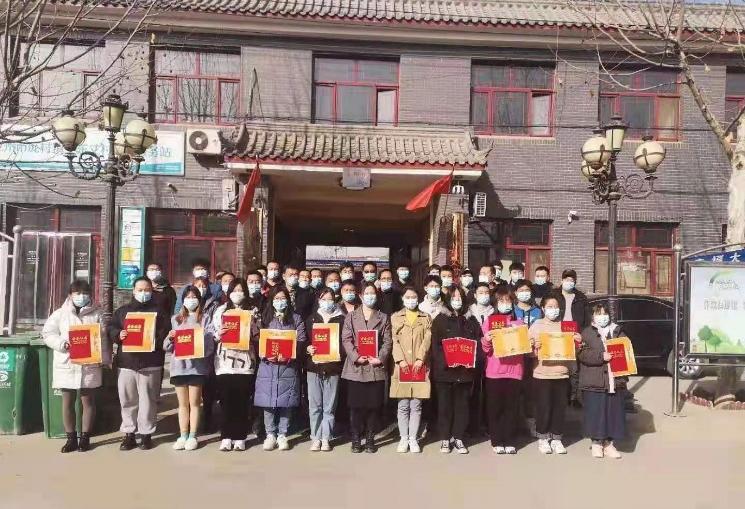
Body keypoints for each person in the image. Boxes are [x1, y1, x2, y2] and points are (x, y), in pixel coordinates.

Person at [42, 280, 106, 453]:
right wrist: (62, 344)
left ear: (90, 295)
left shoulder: (97, 314)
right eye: (77, 293)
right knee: (67, 401)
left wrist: (104, 358)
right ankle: (71, 438)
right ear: (70, 295)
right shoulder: (60, 314)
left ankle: (85, 438)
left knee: (88, 401)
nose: (81, 296)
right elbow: (47, 333)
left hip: (89, 364)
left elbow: (103, 337)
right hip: (67, 363)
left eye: (85, 293)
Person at [108, 277, 171, 451]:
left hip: (150, 363)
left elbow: (164, 334)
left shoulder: (160, 312)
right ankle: (129, 433)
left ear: (152, 291)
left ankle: (146, 434)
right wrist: (118, 334)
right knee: (127, 400)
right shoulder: (122, 312)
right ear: (134, 291)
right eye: (140, 290)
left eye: (147, 290)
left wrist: (152, 339)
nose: (143, 293)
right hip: (126, 363)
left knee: (148, 401)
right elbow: (111, 328)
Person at [341, 283, 392, 453]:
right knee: (355, 406)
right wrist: (356, 356)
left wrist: (380, 358)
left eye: (373, 293)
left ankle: (370, 439)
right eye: (367, 293)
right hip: (356, 367)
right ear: (361, 296)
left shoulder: (383, 317)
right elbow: (346, 339)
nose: (370, 296)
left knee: (373, 406)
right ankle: (356, 438)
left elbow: (388, 341)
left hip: (374, 366)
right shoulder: (351, 316)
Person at [430, 287, 480, 454]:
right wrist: (446, 361)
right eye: (454, 297)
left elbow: (477, 342)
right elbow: (435, 346)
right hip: (445, 372)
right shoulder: (440, 320)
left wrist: (470, 361)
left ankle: (458, 437)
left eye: (460, 296)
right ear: (448, 299)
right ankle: (445, 438)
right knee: (444, 406)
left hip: (465, 372)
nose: (457, 300)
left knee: (462, 406)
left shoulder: (471, 320)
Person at [256, 287, 307, 451]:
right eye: (276, 298)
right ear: (272, 301)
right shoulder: (265, 317)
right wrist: (265, 354)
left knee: (287, 401)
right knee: (268, 402)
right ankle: (270, 434)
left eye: (283, 298)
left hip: (288, 367)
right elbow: (257, 339)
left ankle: (283, 434)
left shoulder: (296, 318)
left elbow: (301, 340)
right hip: (268, 367)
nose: (280, 301)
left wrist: (290, 355)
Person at [210, 278, 259, 451]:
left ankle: (240, 436)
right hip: (224, 362)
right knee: (226, 401)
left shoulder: (252, 311)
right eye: (234, 290)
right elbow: (213, 334)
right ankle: (226, 436)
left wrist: (251, 328)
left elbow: (257, 335)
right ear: (229, 292)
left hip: (245, 362)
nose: (238, 293)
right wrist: (219, 334)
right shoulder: (220, 310)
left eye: (241, 290)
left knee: (242, 401)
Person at [528, 292, 579, 455]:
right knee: (543, 408)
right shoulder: (536, 325)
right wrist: (534, 348)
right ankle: (543, 438)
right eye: (550, 306)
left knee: (559, 408)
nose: (553, 310)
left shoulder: (565, 326)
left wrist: (577, 343)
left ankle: (557, 438)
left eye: (556, 307)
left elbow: (573, 351)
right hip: (542, 374)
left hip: (562, 373)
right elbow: (527, 351)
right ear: (543, 309)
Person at [165, 285, 215, 451]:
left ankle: (193, 435)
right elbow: (167, 346)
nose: (191, 300)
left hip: (197, 367)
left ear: (199, 300)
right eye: (188, 297)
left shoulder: (205, 318)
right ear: (183, 300)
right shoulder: (176, 319)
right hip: (179, 367)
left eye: (194, 297)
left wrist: (201, 340)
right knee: (182, 404)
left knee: (194, 403)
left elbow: (210, 345)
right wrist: (171, 338)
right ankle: (182, 435)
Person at [577, 304, 626, 459]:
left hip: (615, 380)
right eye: (598, 314)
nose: (602, 317)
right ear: (592, 317)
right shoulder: (586, 332)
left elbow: (626, 350)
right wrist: (600, 356)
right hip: (594, 380)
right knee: (596, 412)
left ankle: (609, 444)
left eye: (605, 313)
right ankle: (596, 443)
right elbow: (582, 354)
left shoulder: (617, 331)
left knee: (612, 413)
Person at [480, 286, 524, 454]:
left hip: (514, 370)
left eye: (508, 300)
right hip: (494, 371)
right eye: (501, 301)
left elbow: (524, 348)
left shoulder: (519, 323)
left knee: (511, 408)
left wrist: (528, 343)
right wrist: (487, 339)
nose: (505, 304)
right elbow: (484, 349)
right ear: (496, 303)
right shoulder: (489, 322)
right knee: (495, 408)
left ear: (512, 302)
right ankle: (497, 440)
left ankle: (510, 440)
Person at [390, 287, 432, 453]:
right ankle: (403, 438)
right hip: (402, 365)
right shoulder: (395, 317)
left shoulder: (426, 317)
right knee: (403, 405)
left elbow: (427, 339)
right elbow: (393, 340)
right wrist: (400, 360)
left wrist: (421, 358)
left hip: (419, 365)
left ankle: (413, 438)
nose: (411, 300)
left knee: (416, 405)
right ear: (402, 298)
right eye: (407, 297)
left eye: (414, 297)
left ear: (418, 298)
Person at [305, 287, 345, 452]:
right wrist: (308, 348)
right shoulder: (312, 319)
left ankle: (326, 437)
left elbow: (346, 343)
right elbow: (304, 340)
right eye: (324, 299)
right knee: (315, 406)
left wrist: (337, 352)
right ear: (319, 300)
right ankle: (315, 438)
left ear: (335, 300)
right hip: (314, 368)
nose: (327, 302)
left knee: (329, 406)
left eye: (330, 299)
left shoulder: (342, 319)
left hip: (333, 368)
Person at [512, 279, 542, 438]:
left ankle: (531, 423)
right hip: (514, 357)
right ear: (515, 293)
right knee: (514, 391)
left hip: (532, 357)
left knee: (531, 392)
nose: (524, 293)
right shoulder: (511, 310)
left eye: (527, 290)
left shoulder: (538, 311)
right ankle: (514, 424)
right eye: (521, 290)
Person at [561, 269, 588, 407]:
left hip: (574, 336)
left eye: (571, 280)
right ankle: (562, 396)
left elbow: (586, 320)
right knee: (560, 367)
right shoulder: (554, 295)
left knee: (574, 370)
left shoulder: (581, 298)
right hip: (558, 336)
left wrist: (582, 336)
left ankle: (574, 397)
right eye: (566, 279)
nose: (569, 282)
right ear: (562, 280)